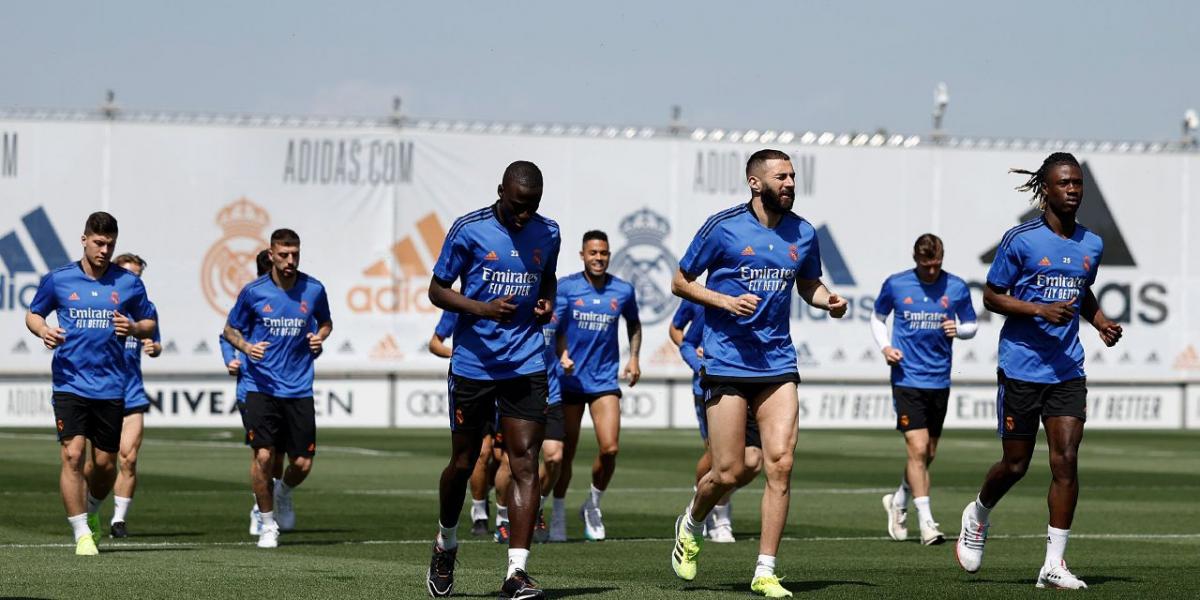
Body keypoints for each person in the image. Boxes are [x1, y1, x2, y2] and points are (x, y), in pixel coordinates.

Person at [669, 149, 847, 598]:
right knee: (727, 472)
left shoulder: (803, 232)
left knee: (780, 463)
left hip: (777, 362)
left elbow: (809, 284)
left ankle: (765, 570)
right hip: (727, 362)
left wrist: (830, 301)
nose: (790, 183)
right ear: (755, 182)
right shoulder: (722, 226)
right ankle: (691, 522)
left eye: (793, 176)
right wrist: (724, 301)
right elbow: (680, 281)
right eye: (781, 177)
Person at [956, 153, 1122, 590]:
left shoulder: (1092, 243)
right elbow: (992, 296)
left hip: (1067, 369)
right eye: (1064, 183)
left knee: (1066, 460)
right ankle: (978, 514)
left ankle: (1054, 564)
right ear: (1045, 190)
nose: (1073, 189)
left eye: (1078, 183)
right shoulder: (1021, 240)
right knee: (1015, 466)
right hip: (1022, 367)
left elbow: (1082, 292)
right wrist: (1037, 309)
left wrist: (1100, 321)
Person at [425, 160, 560, 599]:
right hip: (474, 365)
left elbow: (549, 280)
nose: (525, 215)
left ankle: (515, 573)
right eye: (518, 206)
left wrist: (545, 304)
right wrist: (482, 309)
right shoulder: (469, 229)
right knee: (464, 464)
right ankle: (445, 542)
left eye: (532, 206)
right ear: (500, 190)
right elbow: (437, 289)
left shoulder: (549, 232)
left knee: (524, 462)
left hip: (525, 363)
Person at [25, 211, 157, 556]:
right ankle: (82, 531)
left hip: (112, 386)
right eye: (98, 243)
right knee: (71, 455)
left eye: (110, 244)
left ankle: (94, 510)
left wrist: (135, 328)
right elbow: (34, 313)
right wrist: (43, 330)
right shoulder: (60, 279)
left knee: (104, 465)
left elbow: (149, 322)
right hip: (69, 383)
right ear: (84, 240)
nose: (104, 250)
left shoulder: (127, 283)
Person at [223, 229, 333, 549]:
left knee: (301, 464)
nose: (290, 260)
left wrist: (320, 336)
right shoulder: (253, 292)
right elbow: (230, 330)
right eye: (283, 254)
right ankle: (267, 523)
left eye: (295, 254)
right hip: (261, 386)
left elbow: (325, 322)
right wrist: (246, 347)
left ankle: (282, 492)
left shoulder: (313, 289)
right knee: (263, 456)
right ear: (271, 255)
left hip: (298, 388)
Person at [871, 234, 977, 546]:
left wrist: (960, 330)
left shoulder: (955, 287)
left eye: (937, 265)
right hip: (907, 378)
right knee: (917, 449)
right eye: (926, 266)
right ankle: (927, 523)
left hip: (939, 380)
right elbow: (878, 318)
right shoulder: (897, 284)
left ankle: (898, 501)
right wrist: (886, 346)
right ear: (916, 260)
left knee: (927, 454)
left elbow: (971, 324)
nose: (932, 271)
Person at [552, 230, 641, 541]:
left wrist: (634, 359)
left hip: (604, 380)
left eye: (603, 253)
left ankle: (592, 504)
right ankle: (558, 511)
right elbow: (554, 328)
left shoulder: (623, 290)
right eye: (593, 253)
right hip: (570, 382)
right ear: (582, 255)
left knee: (610, 448)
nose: (599, 258)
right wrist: (561, 354)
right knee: (564, 453)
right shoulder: (566, 288)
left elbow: (633, 323)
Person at [669, 299, 763, 543]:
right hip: (714, 386)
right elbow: (681, 334)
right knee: (718, 456)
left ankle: (706, 497)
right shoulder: (705, 300)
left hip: (751, 385)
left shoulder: (762, 294)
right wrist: (700, 364)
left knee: (753, 461)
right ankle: (719, 515)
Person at [220, 249, 286, 536]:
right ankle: (260, 508)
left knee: (279, 453)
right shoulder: (253, 299)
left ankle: (274, 498)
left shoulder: (286, 300)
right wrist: (230, 358)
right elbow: (227, 333)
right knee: (263, 452)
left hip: (283, 389)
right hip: (251, 388)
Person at [101, 253, 163, 538]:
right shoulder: (100, 305)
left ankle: (118, 520)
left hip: (132, 394)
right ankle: (89, 509)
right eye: (129, 274)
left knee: (129, 458)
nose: (134, 280)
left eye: (138, 275)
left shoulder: (145, 310)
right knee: (99, 464)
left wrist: (153, 348)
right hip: (100, 393)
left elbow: (155, 343)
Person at [428, 309, 500, 538]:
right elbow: (435, 343)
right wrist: (457, 354)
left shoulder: (513, 296)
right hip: (475, 383)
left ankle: (495, 502)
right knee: (481, 453)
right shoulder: (460, 303)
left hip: (507, 382)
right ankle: (480, 513)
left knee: (503, 457)